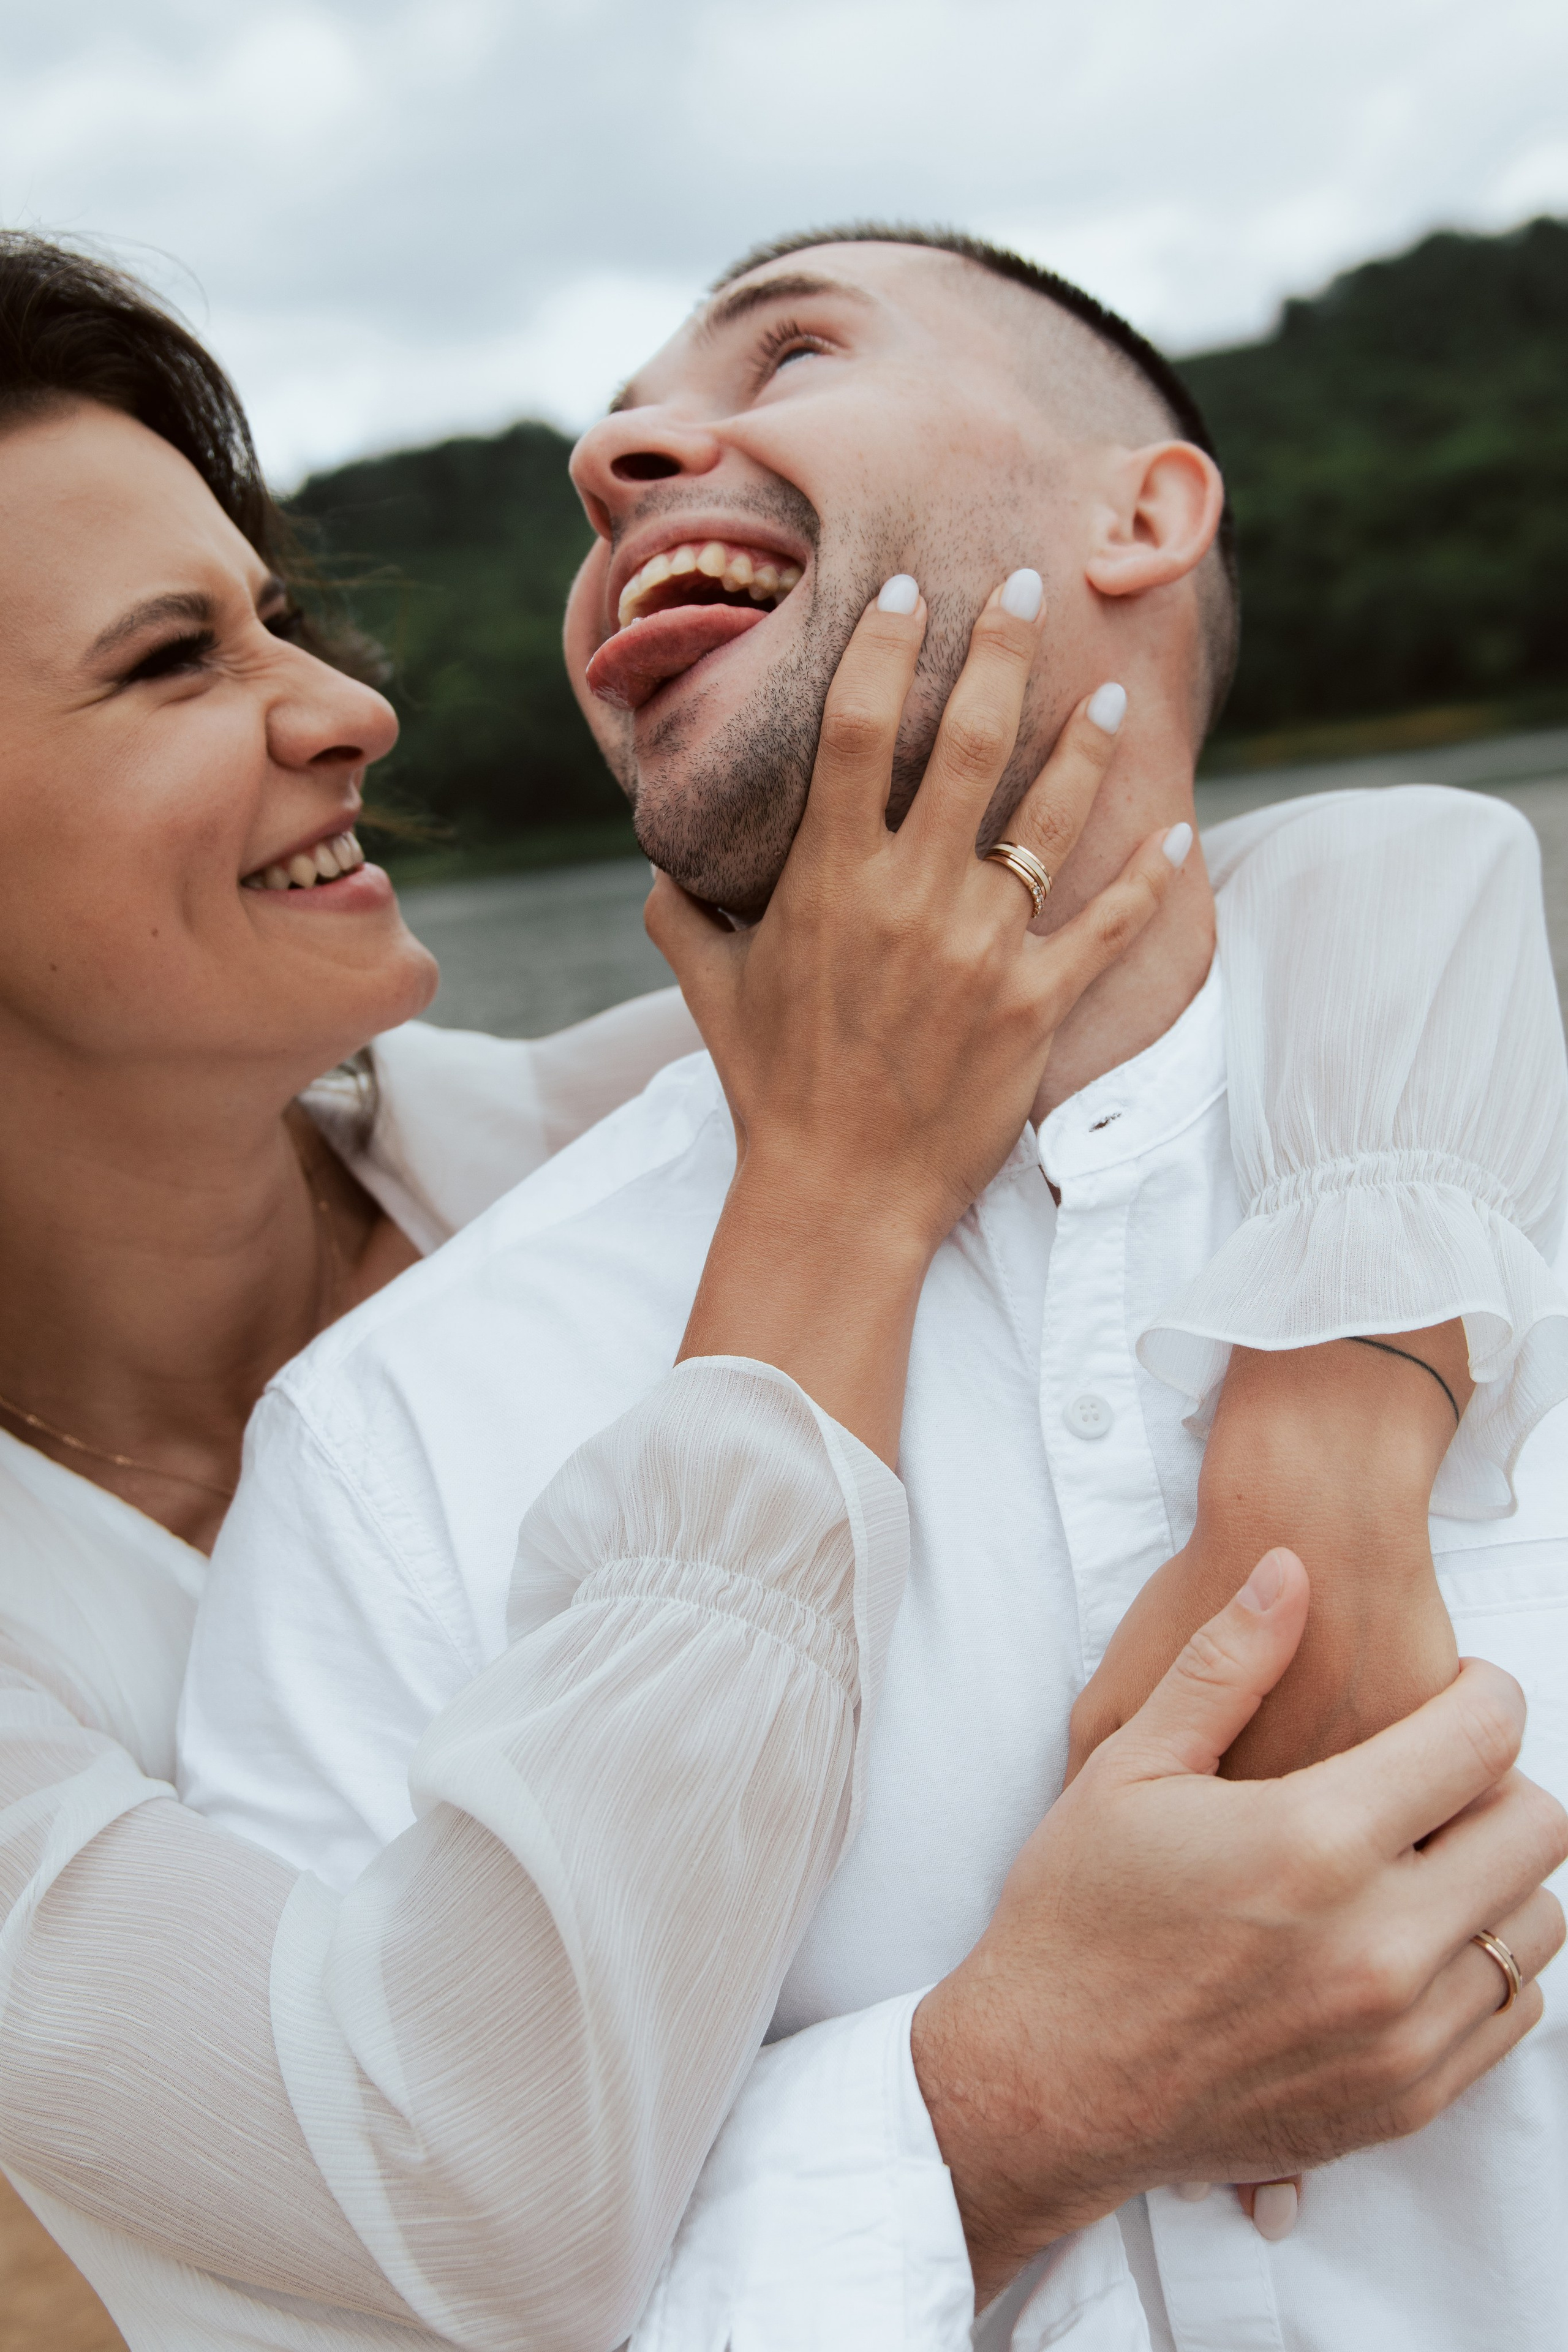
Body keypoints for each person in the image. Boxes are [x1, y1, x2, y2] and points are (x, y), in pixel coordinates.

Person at [181, 225, 1568, 2351]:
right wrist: (1002, 2119)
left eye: (796, 345)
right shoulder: (385, 1448)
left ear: (1146, 507)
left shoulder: (1473, 1087)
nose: (615, 450)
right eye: (621, 420)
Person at [0, 233, 1213, 2352]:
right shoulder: (800, 1133)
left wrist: (1337, 1450)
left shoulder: (607, 1131)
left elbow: (1360, 885)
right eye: (173, 662)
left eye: (281, 617)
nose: (353, 707)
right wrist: (1027, 2099)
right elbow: (461, 2198)